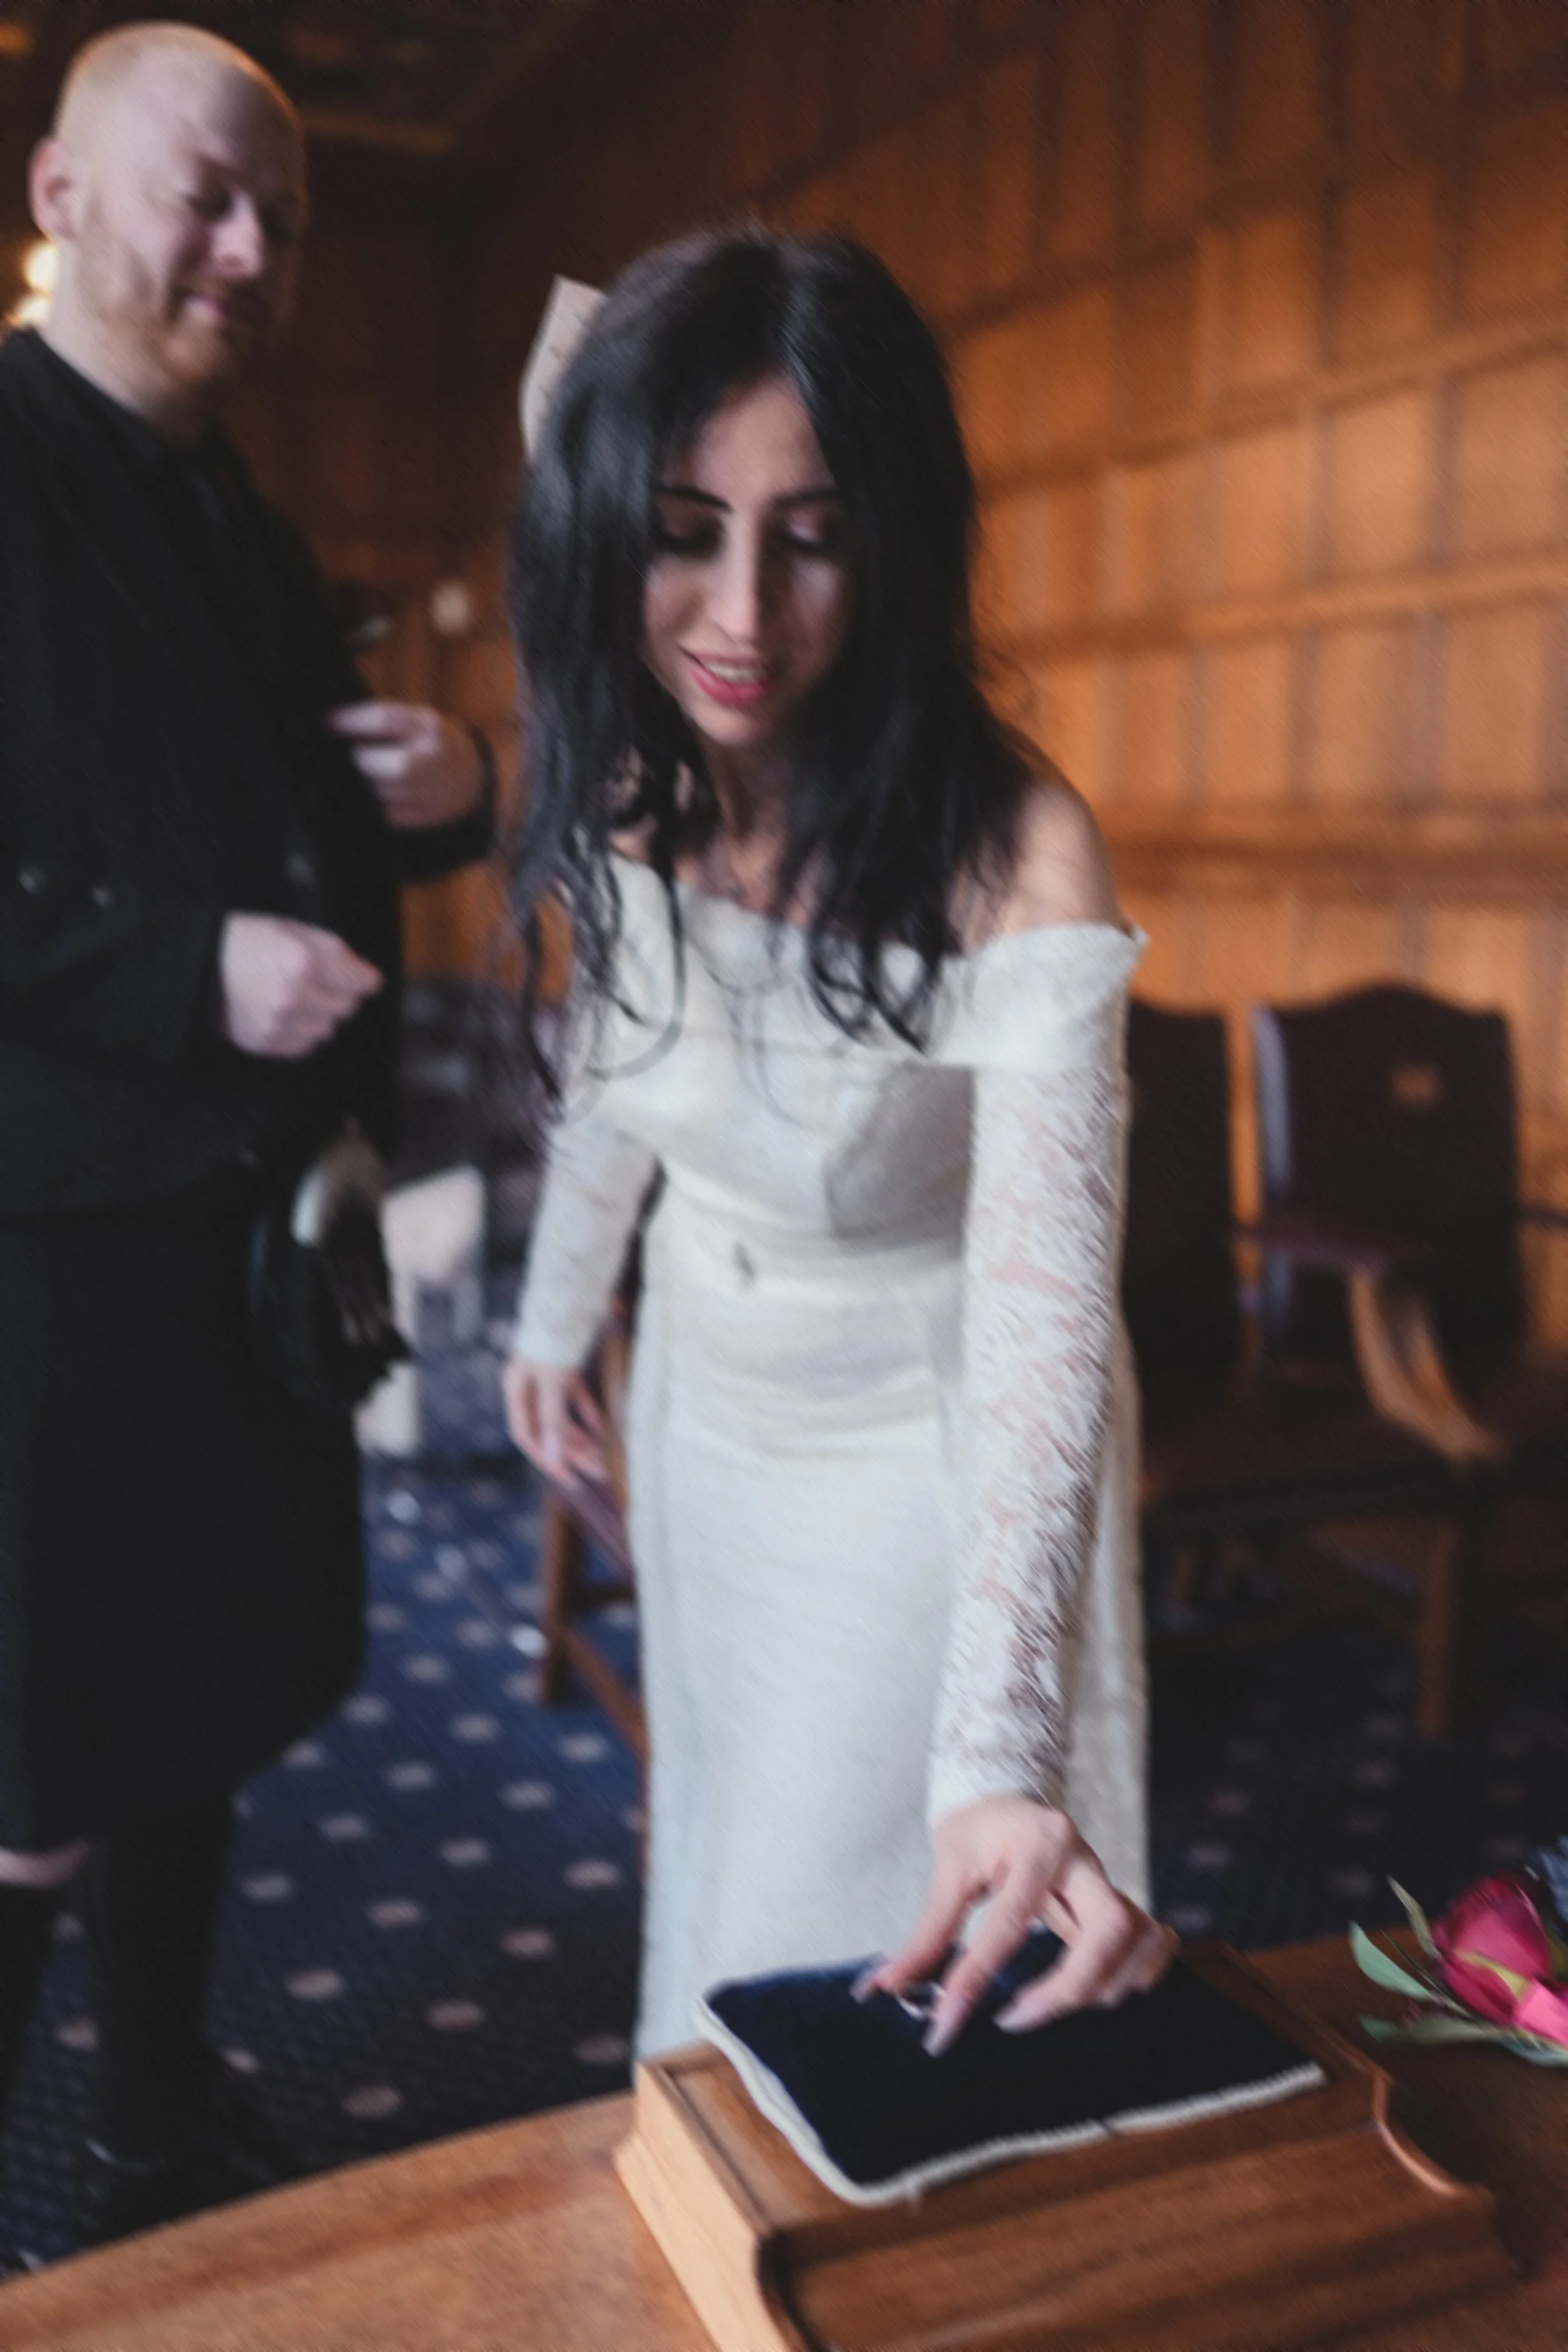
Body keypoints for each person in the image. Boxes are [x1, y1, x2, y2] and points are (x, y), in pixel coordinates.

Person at [502, 229, 1173, 2061]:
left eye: (809, 536)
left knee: (869, 1931)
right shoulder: (636, 775)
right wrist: (556, 1319)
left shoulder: (1014, 850)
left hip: (928, 1436)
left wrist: (999, 1743)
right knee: (716, 1856)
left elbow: (1045, 1316)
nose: (739, 612)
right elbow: (612, 1065)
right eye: (681, 528)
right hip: (709, 1406)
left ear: (892, 539)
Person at [0, 22, 491, 2242]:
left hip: (252, 1232)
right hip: (46, 1243)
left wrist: (456, 791)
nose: (249, 245)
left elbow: (323, 835)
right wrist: (179, 969)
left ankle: (157, 2130)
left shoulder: (249, 523)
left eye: (281, 213)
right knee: (38, 1776)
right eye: (206, 193)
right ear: (59, 197)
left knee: (194, 1717)